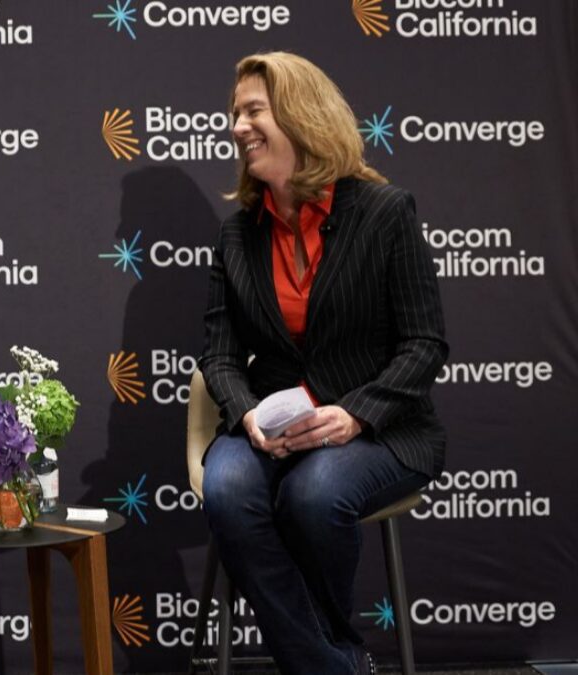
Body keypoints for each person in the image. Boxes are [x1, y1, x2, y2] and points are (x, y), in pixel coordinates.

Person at [198, 52, 447, 673]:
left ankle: (323, 662)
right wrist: (247, 414)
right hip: (273, 426)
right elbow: (220, 354)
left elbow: (424, 344)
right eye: (235, 113)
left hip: (378, 428)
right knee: (227, 489)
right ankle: (335, 664)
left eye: (253, 111)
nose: (237, 127)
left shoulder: (385, 213)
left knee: (313, 494)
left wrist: (354, 415)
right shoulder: (237, 235)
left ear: (301, 116)